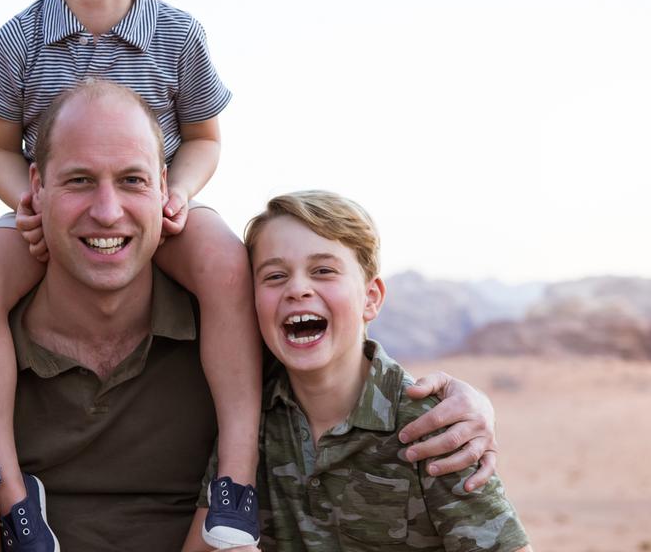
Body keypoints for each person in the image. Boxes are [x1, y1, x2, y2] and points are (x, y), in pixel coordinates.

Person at [0, 81, 500, 552]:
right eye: (79, 180)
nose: (107, 211)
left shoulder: (236, 337)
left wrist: (465, 405)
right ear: (36, 188)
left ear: (167, 192)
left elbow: (339, 373)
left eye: (132, 181)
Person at [0, 0, 261, 550]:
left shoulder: (179, 35)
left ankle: (235, 481)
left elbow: (206, 137)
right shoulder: (18, 40)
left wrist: (180, 189)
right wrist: (21, 202)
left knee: (225, 264)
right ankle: (14, 499)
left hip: (160, 210)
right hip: (49, 214)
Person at [187, 191, 532, 551]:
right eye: (275, 276)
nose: (298, 289)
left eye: (323, 271)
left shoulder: (430, 426)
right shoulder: (248, 418)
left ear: (371, 299)